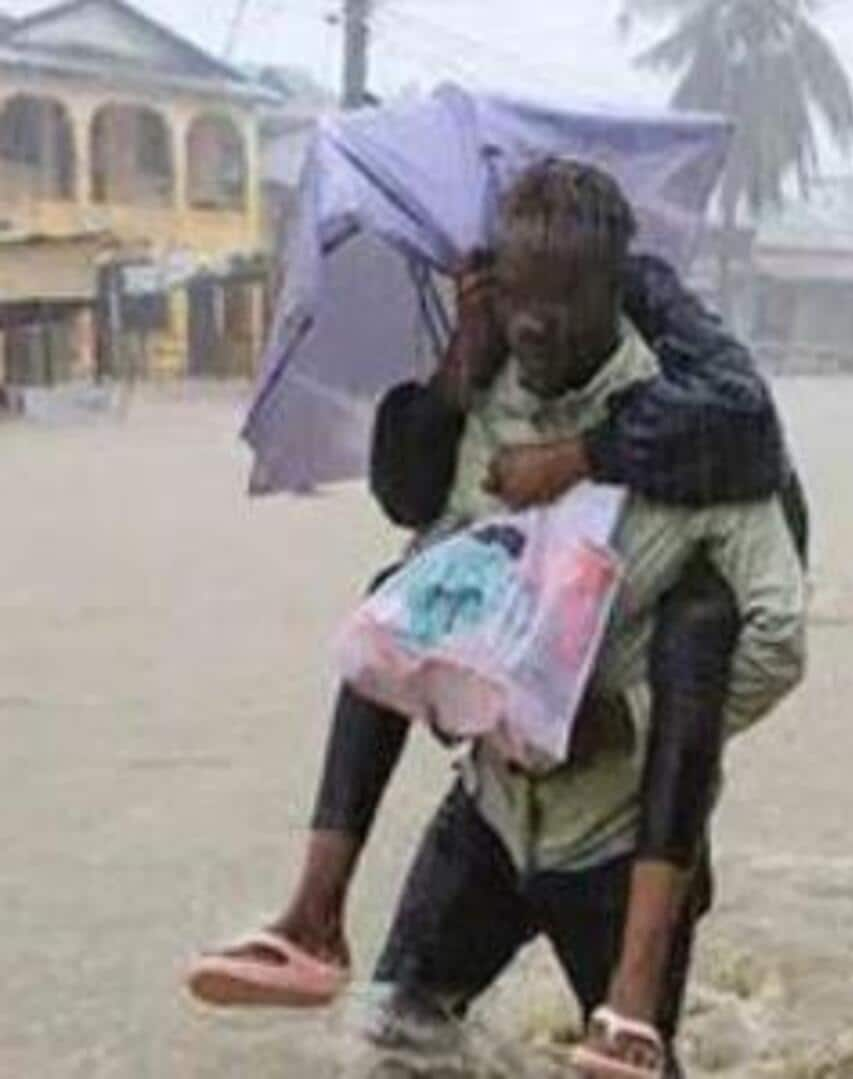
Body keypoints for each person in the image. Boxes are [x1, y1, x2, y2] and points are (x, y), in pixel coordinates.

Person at [187, 160, 807, 1079]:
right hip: (492, 809)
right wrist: (442, 672)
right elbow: (437, 548)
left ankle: (633, 1008)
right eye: (518, 293)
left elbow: (777, 637)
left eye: (562, 297)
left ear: (618, 288)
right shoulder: (490, 393)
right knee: (397, 1044)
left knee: (638, 1068)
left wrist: (620, 722)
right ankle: (314, 916)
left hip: (624, 832)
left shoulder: (698, 430)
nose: (535, 321)